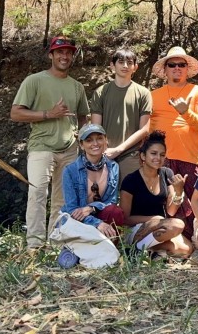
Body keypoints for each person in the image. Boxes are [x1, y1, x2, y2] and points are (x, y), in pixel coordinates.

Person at [10, 35, 90, 250]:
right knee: (37, 194)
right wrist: (49, 114)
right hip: (41, 147)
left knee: (62, 198)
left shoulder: (77, 87)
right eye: (60, 51)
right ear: (51, 55)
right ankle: (35, 243)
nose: (65, 56)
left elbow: (83, 116)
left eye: (68, 52)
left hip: (70, 149)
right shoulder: (34, 80)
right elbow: (16, 113)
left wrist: (80, 136)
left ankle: (56, 241)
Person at [149, 46, 198, 237]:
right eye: (172, 64)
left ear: (187, 69)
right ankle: (166, 242)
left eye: (181, 64)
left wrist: (186, 112)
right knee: (164, 201)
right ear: (165, 70)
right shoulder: (153, 96)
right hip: (160, 159)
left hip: (189, 157)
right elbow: (147, 127)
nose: (177, 68)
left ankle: (195, 242)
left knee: (191, 203)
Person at [120, 131, 193, 258]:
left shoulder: (166, 173)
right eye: (153, 153)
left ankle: (142, 249)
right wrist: (154, 219)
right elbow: (125, 219)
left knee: (187, 249)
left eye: (162, 155)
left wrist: (179, 191)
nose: (158, 158)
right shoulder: (130, 180)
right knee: (177, 225)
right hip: (136, 229)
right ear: (143, 156)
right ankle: (138, 248)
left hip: (162, 227)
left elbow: (170, 211)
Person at [89, 48, 152, 178]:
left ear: (135, 67)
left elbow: (145, 129)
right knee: (102, 195)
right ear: (112, 65)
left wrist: (119, 149)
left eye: (129, 63)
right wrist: (103, 149)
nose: (125, 66)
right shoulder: (101, 92)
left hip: (132, 154)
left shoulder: (143, 93)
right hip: (104, 153)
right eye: (121, 62)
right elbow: (96, 128)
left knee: (129, 196)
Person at [60, 123, 124, 240]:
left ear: (105, 140)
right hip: (78, 219)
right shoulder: (70, 170)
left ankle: (112, 248)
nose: (95, 144)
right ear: (82, 145)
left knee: (115, 211)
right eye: (89, 140)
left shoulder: (113, 166)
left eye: (99, 138)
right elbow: (72, 209)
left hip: (98, 214)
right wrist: (97, 223)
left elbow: (112, 200)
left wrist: (92, 208)